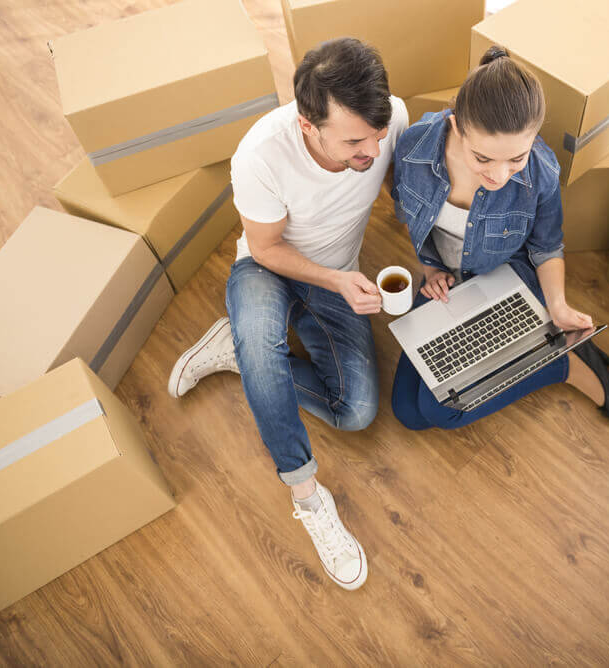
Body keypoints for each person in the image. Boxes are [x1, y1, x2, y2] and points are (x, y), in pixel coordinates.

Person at [167, 38, 409, 590]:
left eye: (376, 135)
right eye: (353, 141)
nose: (370, 150)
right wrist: (335, 280)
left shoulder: (388, 118)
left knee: (356, 411)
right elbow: (269, 248)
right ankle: (307, 495)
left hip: (336, 278)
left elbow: (392, 176)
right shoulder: (259, 155)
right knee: (264, 347)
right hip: (269, 269)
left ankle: (236, 352)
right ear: (308, 125)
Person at [390, 46, 609, 431]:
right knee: (408, 413)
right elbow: (406, 209)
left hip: (505, 272)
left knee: (439, 411)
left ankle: (561, 363)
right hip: (444, 280)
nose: (500, 176)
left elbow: (547, 247)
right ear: (456, 126)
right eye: (483, 159)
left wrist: (558, 306)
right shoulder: (415, 147)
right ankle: (549, 351)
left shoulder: (542, 170)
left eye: (517, 158)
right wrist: (429, 268)